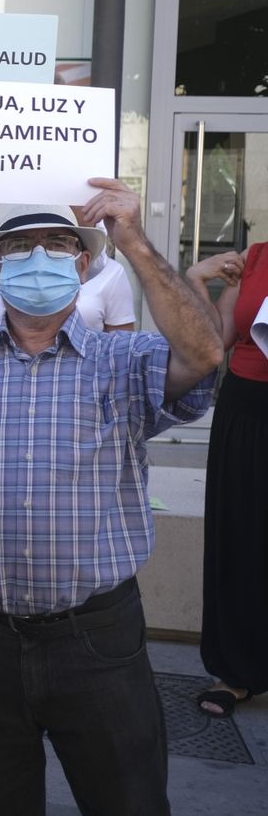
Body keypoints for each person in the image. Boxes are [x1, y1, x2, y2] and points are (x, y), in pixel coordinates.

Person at [0, 193, 222, 816]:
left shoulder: (128, 363)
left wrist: (136, 243)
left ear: (85, 267)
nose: (39, 259)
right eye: (18, 248)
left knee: (129, 800)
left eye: (59, 246)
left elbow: (205, 354)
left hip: (98, 641)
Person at [186, 244, 266, 718]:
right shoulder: (255, 258)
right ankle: (236, 672)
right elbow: (218, 340)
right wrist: (197, 281)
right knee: (239, 536)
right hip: (247, 409)